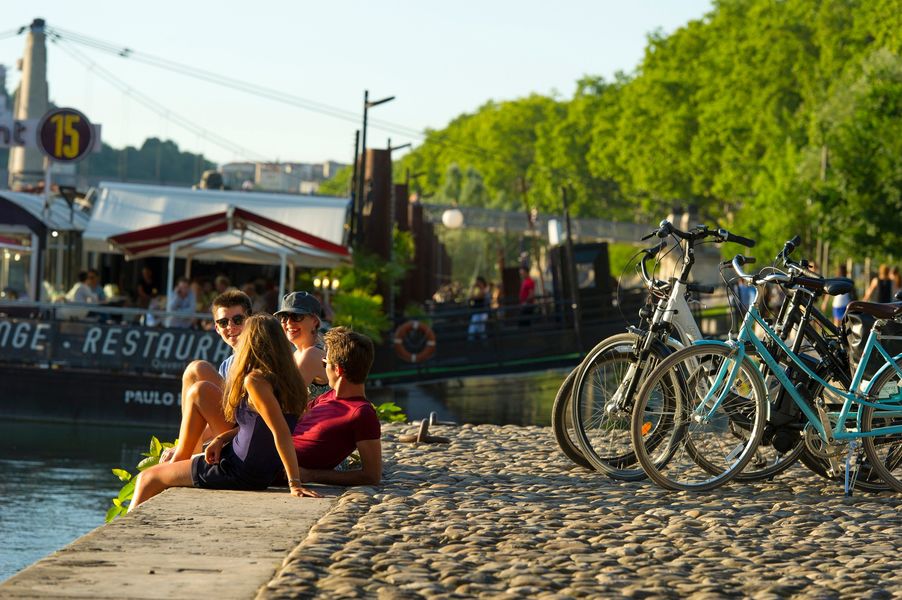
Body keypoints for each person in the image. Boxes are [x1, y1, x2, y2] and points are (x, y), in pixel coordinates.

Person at [129, 314, 319, 510]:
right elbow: (260, 425)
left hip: (238, 470)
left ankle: (125, 535)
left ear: (251, 343)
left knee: (147, 478)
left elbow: (281, 432)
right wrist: (221, 439)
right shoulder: (290, 381)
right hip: (254, 467)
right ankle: (179, 463)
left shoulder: (255, 381)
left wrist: (294, 484)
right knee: (201, 391)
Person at [293, 327, 382, 486]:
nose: (323, 368)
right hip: (266, 453)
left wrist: (311, 475)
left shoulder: (361, 413)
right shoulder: (327, 397)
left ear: (338, 369)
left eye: (324, 363)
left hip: (269, 467)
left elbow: (371, 476)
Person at [275, 291, 330, 399]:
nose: (289, 323)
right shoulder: (298, 354)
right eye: (284, 317)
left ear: (314, 321)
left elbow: (283, 398)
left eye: (296, 316)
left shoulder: (312, 354)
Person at [468, 276, 489, 340]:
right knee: (474, 331)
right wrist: (472, 288)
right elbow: (471, 297)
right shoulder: (480, 290)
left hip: (481, 313)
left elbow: (475, 297)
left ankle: (486, 347)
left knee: (479, 331)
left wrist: (473, 287)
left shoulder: (485, 290)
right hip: (477, 313)